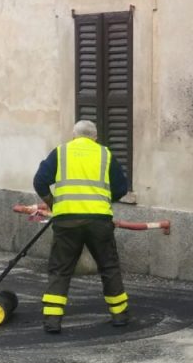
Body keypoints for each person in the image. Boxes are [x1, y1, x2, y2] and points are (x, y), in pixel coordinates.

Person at [33, 119, 131, 334]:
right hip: (99, 220)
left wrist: (53, 202)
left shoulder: (61, 152)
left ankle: (52, 320)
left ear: (74, 135)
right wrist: (104, 200)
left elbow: (39, 181)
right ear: (95, 137)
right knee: (108, 266)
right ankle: (119, 316)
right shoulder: (105, 154)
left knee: (60, 269)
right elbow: (122, 187)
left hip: (67, 219)